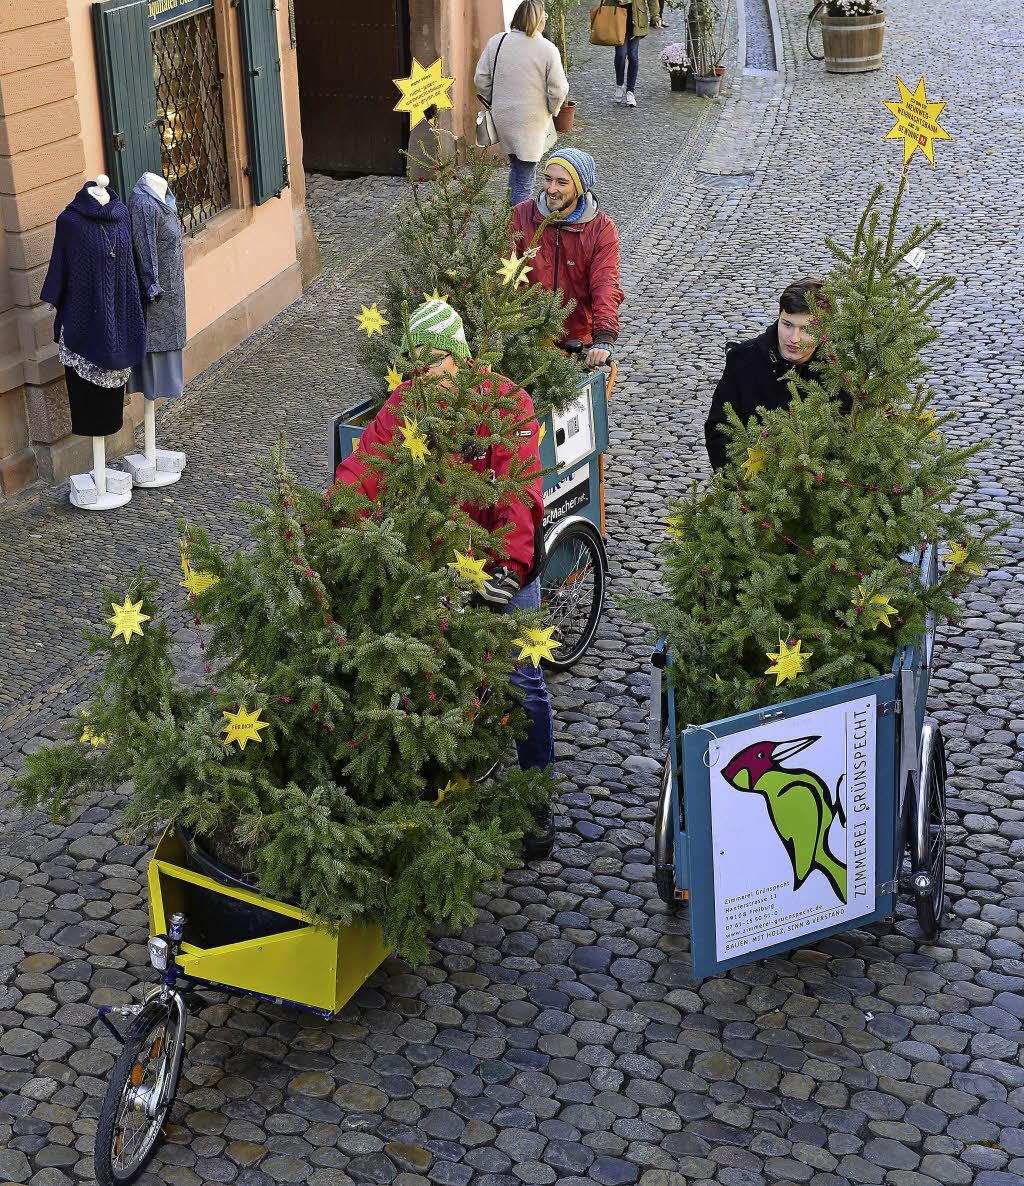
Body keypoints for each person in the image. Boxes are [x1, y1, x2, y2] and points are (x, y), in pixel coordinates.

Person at [334, 299, 557, 860]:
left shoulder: (508, 403)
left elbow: (521, 491)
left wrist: (507, 566)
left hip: (502, 561)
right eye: (417, 363)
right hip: (439, 559)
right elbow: (364, 470)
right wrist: (331, 520)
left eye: (437, 361)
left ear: (460, 355)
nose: (426, 373)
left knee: (521, 681)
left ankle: (535, 794)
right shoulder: (406, 404)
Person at [704, 278, 842, 472]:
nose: (794, 339)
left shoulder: (839, 376)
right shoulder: (743, 361)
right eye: (787, 325)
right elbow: (719, 430)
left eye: (807, 329)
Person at [511, 148, 624, 367]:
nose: (551, 189)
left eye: (561, 183)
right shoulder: (520, 215)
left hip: (577, 344)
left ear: (579, 188)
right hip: (525, 341)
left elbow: (605, 284)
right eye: (547, 179)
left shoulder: (601, 229)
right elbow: (501, 274)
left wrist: (604, 336)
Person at [474, 1, 569, 207]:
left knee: (518, 170)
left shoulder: (497, 42)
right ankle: (517, 230)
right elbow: (559, 89)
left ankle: (508, 222)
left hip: (503, 117)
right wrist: (552, 109)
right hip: (531, 121)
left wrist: (496, 99)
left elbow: (481, 80)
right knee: (525, 177)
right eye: (544, 17)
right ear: (538, 20)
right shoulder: (546, 49)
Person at [613, 1, 663, 107]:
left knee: (633, 55)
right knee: (621, 54)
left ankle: (630, 92)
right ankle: (619, 84)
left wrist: (656, 16)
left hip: (637, 17)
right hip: (618, 15)